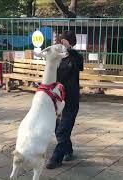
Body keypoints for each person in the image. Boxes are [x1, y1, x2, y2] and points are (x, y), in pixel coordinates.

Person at [46, 30, 84, 169]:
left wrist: (69, 49)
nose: (61, 43)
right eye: (61, 41)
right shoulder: (56, 57)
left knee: (63, 130)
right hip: (57, 98)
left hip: (71, 99)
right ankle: (68, 150)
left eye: (65, 41)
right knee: (57, 128)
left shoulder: (75, 58)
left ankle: (56, 158)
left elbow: (80, 63)